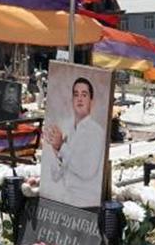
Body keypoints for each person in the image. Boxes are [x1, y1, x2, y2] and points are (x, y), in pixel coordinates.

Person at [44, 77, 107, 207]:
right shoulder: (65, 126)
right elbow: (55, 175)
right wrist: (56, 152)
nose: (79, 99)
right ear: (72, 100)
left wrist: (61, 146)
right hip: (64, 199)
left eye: (84, 95)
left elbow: (86, 170)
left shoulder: (96, 132)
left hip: (85, 203)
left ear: (91, 101)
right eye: (76, 94)